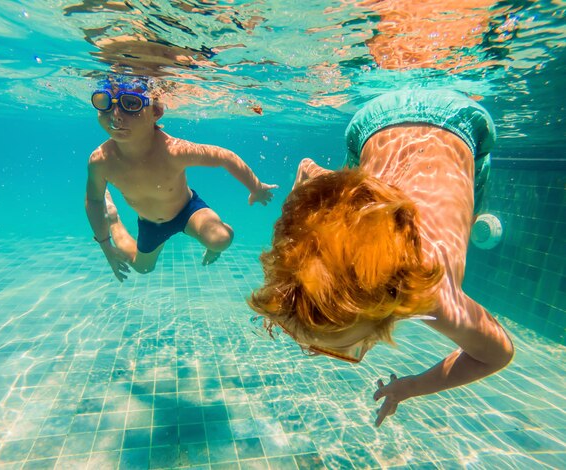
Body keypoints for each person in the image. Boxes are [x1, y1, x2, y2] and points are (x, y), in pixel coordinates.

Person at [248, 88, 514, 427]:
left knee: (459, 197)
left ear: (386, 313)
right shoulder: (321, 258)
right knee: (335, 219)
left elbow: (496, 354)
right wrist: (300, 193)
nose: (320, 353)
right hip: (372, 124)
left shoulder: (430, 298)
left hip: (460, 123)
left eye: (344, 349)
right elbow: (294, 241)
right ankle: (312, 174)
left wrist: (411, 387)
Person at [85, 76, 277, 282]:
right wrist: (106, 246)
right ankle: (114, 220)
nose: (115, 116)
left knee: (220, 240)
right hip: (150, 223)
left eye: (131, 104)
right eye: (104, 104)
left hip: (187, 211)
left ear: (156, 112)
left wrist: (255, 187)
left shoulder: (172, 150)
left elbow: (225, 157)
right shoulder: (101, 161)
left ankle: (213, 243)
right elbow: (95, 200)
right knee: (143, 268)